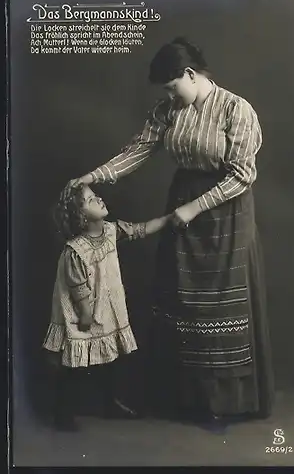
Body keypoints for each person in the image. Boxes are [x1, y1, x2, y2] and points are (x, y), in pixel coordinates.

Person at [64, 36, 275, 431]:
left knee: (219, 304)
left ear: (190, 75)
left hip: (224, 211)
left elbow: (243, 174)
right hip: (182, 202)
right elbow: (138, 150)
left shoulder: (236, 109)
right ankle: (185, 397)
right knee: (182, 300)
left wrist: (194, 207)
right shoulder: (168, 110)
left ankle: (222, 405)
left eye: (171, 85)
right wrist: (94, 176)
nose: (169, 94)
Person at [43, 183, 170, 431]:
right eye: (91, 199)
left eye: (95, 196)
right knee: (75, 363)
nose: (99, 199)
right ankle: (63, 411)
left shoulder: (111, 231)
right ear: (80, 214)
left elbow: (140, 230)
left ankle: (110, 402)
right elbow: (78, 287)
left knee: (110, 357)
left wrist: (168, 219)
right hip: (84, 312)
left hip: (106, 307)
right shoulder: (75, 251)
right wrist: (86, 315)